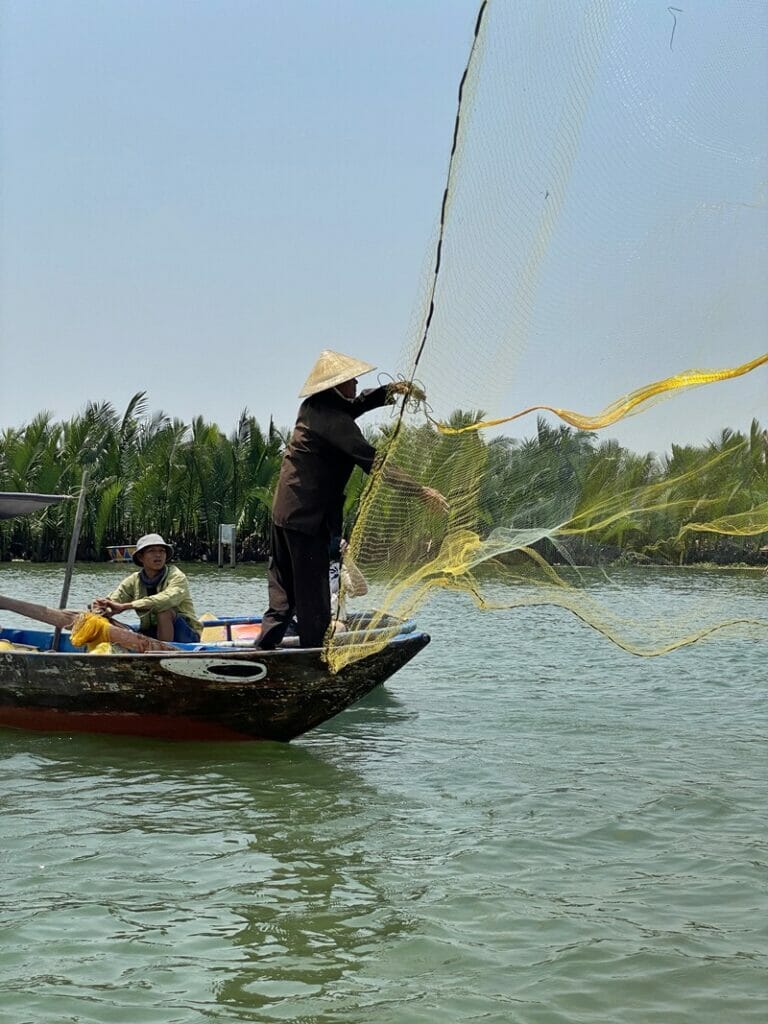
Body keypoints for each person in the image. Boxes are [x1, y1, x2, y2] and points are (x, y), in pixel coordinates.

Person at [257, 349, 448, 650]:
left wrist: (391, 391)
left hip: (284, 515)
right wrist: (420, 491)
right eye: (350, 380)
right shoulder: (334, 422)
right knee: (313, 601)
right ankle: (313, 661)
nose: (357, 383)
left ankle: (263, 651)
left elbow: (354, 405)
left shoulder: (313, 407)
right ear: (334, 386)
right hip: (306, 519)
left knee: (282, 598)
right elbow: (373, 461)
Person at [92, 533, 202, 643]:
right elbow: (115, 599)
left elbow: (166, 599)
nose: (158, 555)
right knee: (106, 620)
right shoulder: (134, 580)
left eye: (161, 551)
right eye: (152, 551)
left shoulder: (176, 576)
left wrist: (126, 606)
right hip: (151, 632)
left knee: (163, 611)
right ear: (141, 557)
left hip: (185, 634)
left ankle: (164, 653)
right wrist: (103, 607)